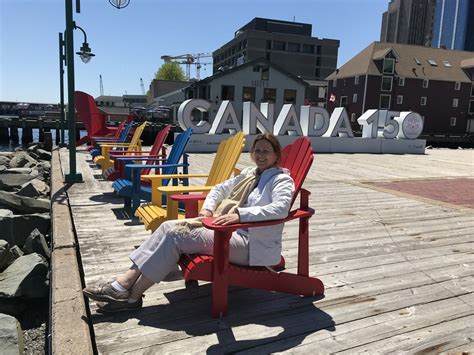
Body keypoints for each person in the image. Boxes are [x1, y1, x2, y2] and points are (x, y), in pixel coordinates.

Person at [83, 133, 295, 312]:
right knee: (167, 226)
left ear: (276, 155)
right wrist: (207, 208)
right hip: (228, 233)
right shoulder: (250, 174)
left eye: (266, 151)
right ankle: (125, 288)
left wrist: (240, 215)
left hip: (251, 245)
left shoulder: (281, 180)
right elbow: (219, 189)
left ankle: (128, 293)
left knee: (177, 235)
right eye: (257, 150)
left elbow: (280, 208)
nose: (260, 155)